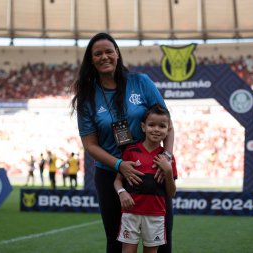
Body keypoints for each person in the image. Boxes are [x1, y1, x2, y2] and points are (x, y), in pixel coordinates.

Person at [71, 32, 174, 253]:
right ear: (91, 59)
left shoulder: (141, 82)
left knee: (159, 242)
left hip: (150, 171)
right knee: (117, 242)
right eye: (97, 53)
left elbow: (168, 124)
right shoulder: (87, 95)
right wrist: (120, 165)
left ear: (117, 53)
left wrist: (167, 155)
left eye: (109, 51)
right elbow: (90, 145)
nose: (104, 57)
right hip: (110, 174)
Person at [114, 104, 177, 253]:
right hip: (131, 214)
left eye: (162, 126)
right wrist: (122, 192)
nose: (156, 129)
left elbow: (171, 192)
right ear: (143, 127)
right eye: (151, 125)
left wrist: (167, 171)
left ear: (168, 130)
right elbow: (117, 181)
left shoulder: (168, 159)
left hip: (155, 216)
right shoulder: (131, 151)